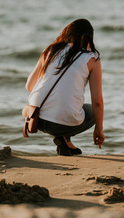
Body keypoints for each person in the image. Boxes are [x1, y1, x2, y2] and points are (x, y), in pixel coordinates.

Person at [24, 19, 105, 156]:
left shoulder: (50, 50)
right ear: (88, 39)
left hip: (36, 118)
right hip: (61, 123)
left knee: (64, 106)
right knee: (90, 111)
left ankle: (65, 142)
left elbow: (29, 86)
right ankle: (63, 137)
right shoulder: (92, 59)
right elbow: (97, 101)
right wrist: (99, 129)